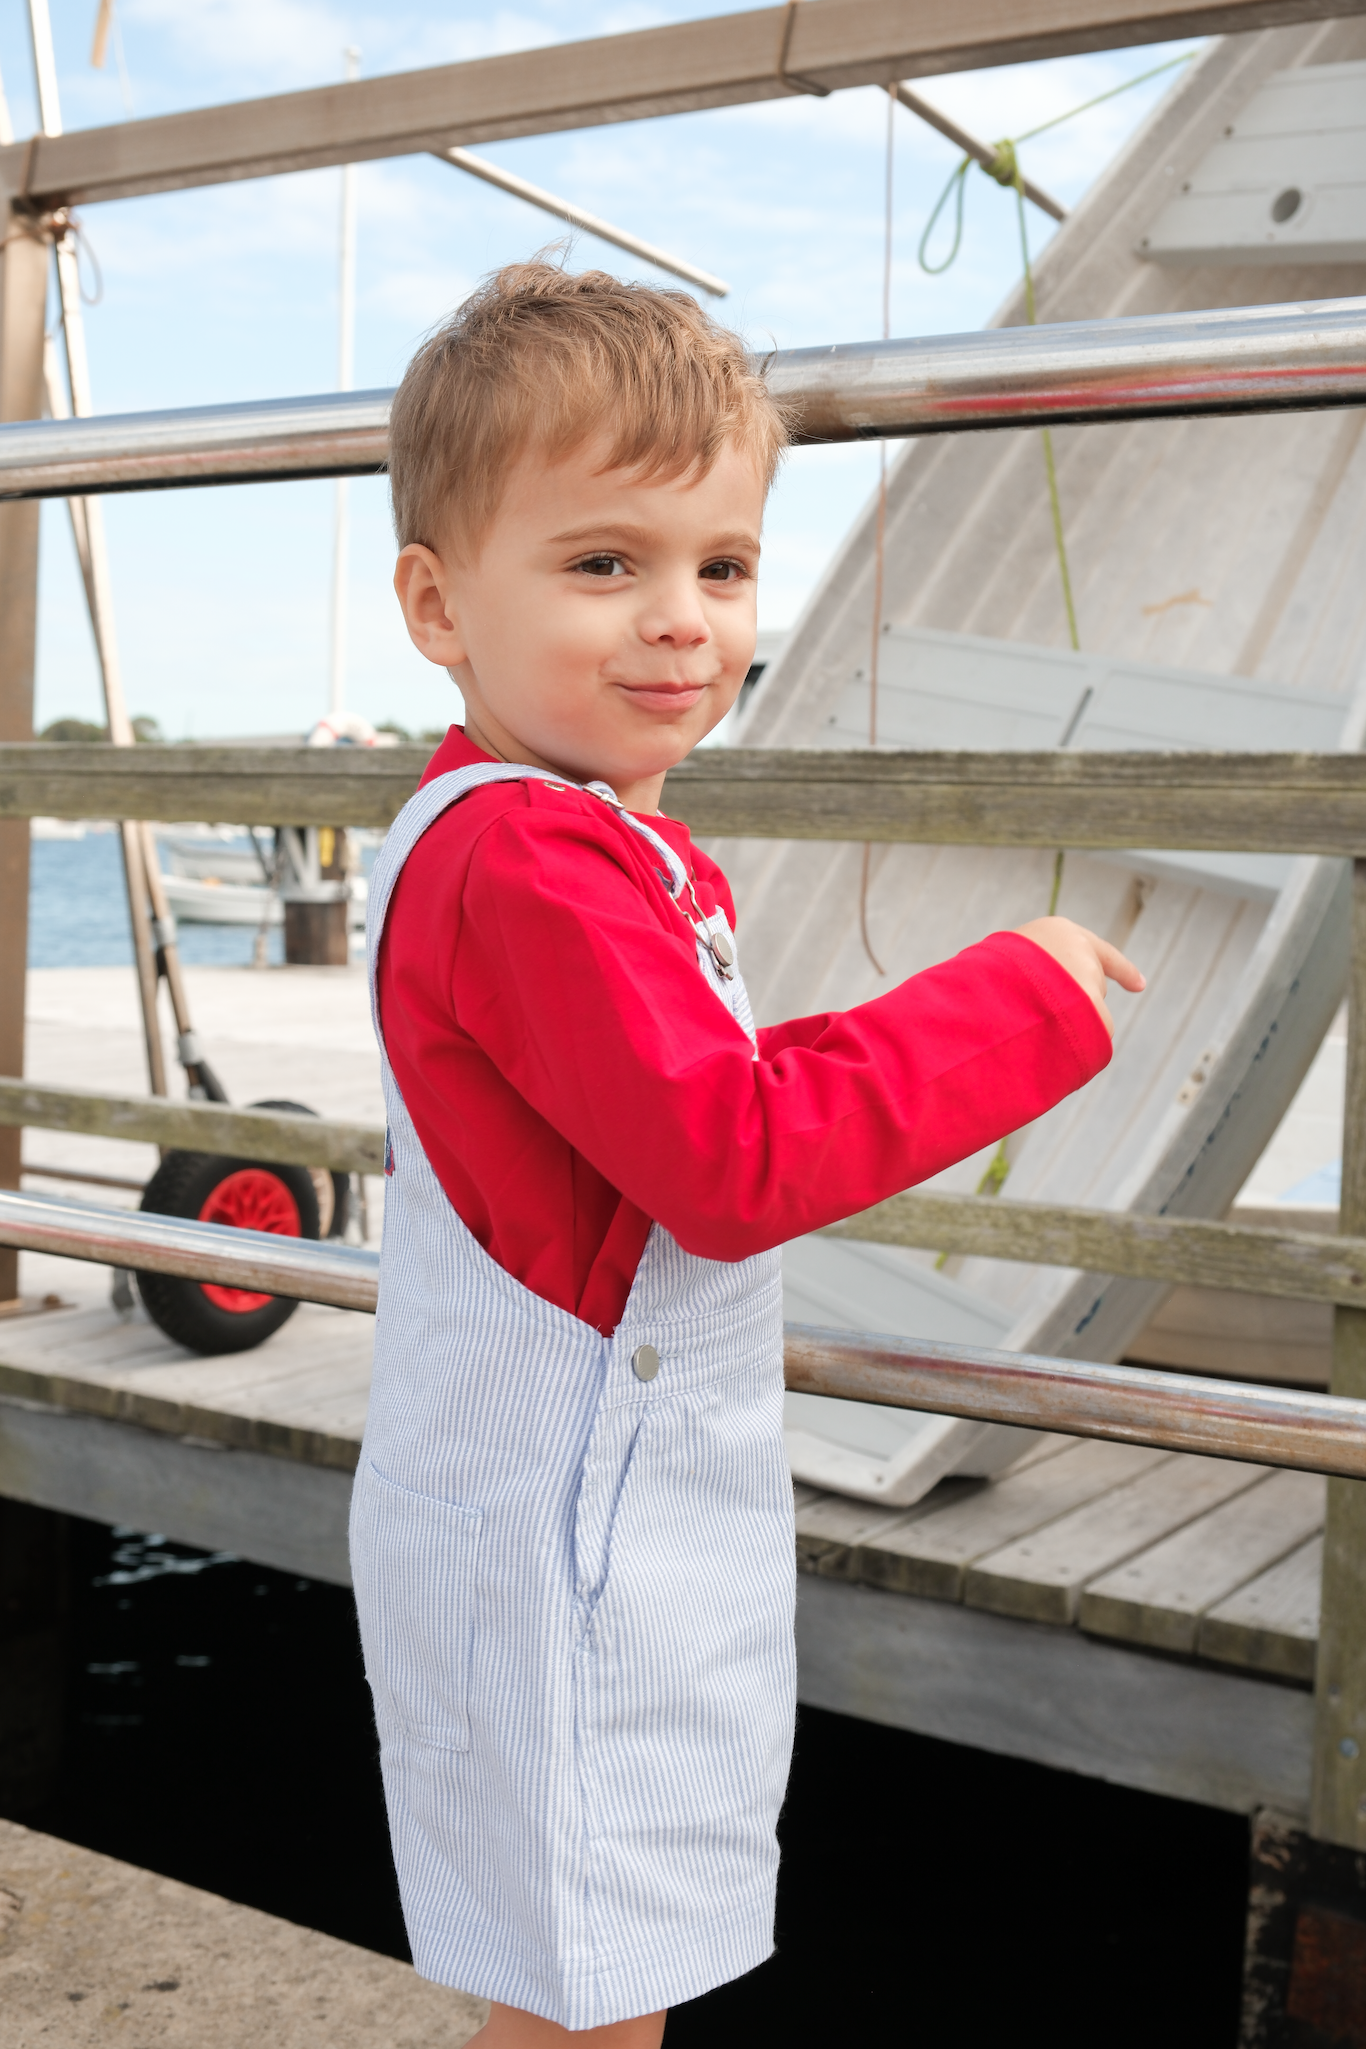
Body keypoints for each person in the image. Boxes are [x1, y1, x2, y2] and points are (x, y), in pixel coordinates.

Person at [351, 262, 1143, 2049]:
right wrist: (1015, 997)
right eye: (601, 563)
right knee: (591, 2000)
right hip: (573, 1541)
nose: (679, 622)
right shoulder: (533, 864)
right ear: (437, 603)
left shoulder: (550, 840)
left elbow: (666, 1102)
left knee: (578, 1978)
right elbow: (726, 1158)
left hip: (571, 1519)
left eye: (721, 566)